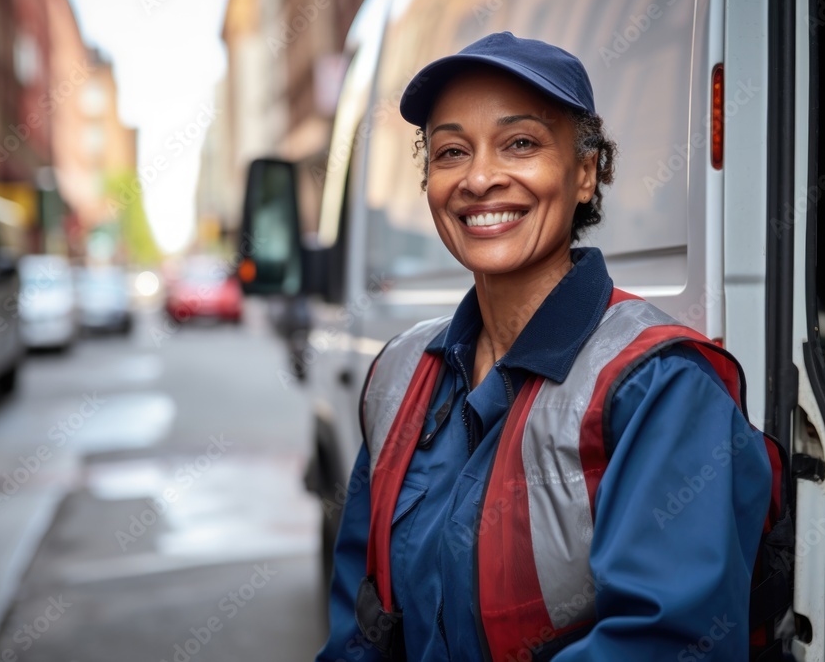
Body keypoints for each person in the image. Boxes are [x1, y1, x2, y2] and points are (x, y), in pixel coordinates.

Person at [317, 32, 779, 661]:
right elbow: (359, 629)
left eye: (522, 143)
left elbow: (667, 644)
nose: (479, 178)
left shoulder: (660, 387)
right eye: (452, 151)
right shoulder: (397, 376)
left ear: (585, 173)